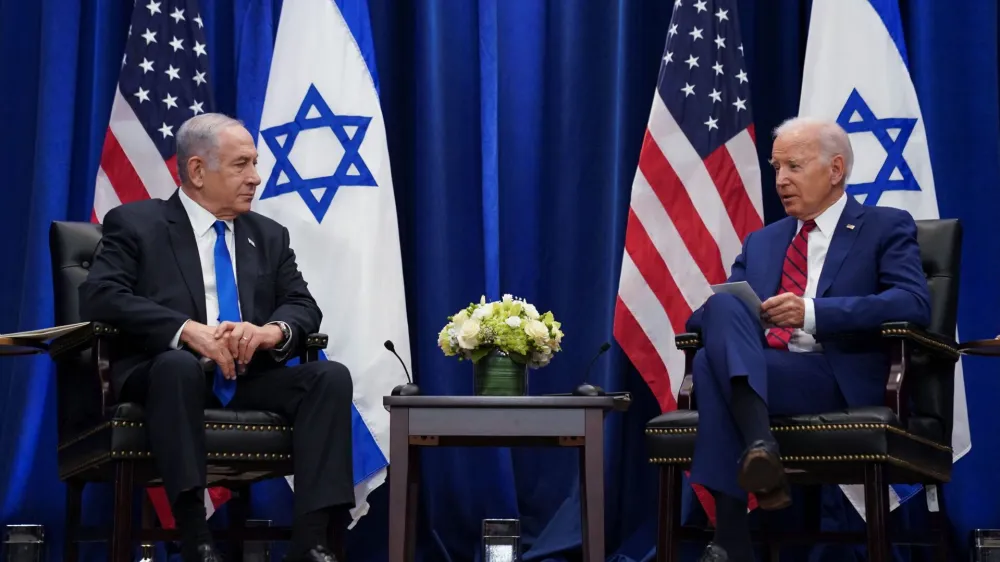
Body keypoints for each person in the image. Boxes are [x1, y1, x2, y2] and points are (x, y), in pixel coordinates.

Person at [80, 113, 353, 562]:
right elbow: (100, 295)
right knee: (178, 366)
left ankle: (311, 541)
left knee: (330, 377)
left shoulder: (268, 235)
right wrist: (185, 330)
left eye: (255, 163)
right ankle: (194, 535)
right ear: (197, 171)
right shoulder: (137, 223)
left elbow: (302, 305)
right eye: (241, 164)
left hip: (245, 376)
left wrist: (270, 331)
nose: (255, 177)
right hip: (165, 375)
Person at [686, 117, 931, 562]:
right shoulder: (762, 241)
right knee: (720, 314)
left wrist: (812, 313)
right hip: (768, 369)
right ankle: (761, 448)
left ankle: (731, 538)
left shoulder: (884, 226)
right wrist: (746, 315)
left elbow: (912, 302)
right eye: (776, 168)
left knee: (709, 367)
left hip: (835, 375)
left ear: (835, 169)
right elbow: (701, 319)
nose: (781, 180)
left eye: (794, 167)